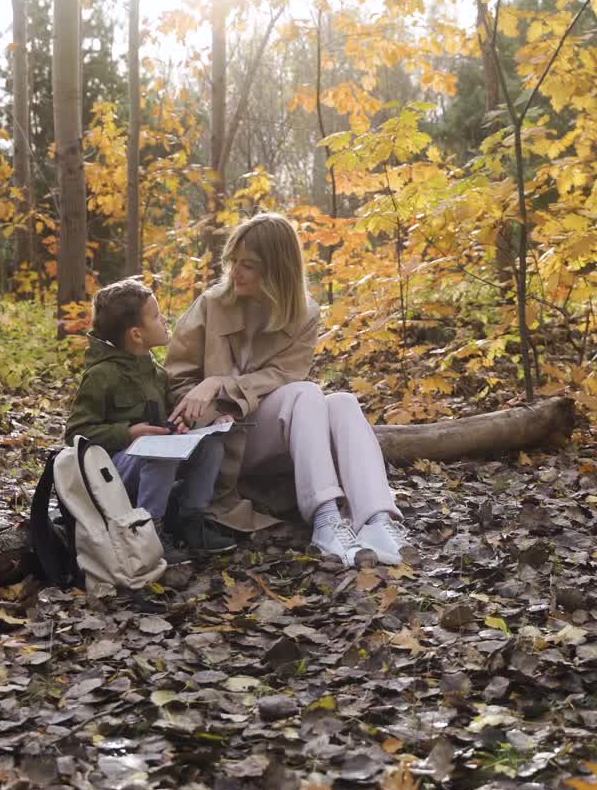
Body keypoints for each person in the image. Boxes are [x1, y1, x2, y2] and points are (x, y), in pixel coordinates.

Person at [165, 213, 408, 566]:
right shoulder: (211, 304)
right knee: (307, 392)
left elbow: (285, 375)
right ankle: (325, 520)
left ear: (277, 268)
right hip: (221, 436)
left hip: (271, 436)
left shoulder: (304, 314)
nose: (236, 272)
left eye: (248, 265)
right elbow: (176, 380)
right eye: (233, 261)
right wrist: (212, 395)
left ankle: (376, 520)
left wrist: (222, 381)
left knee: (341, 401)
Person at [65, 278, 236, 562]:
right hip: (113, 473)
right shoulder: (101, 375)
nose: (164, 318)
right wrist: (129, 433)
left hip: (153, 462)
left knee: (211, 446)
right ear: (136, 334)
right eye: (156, 316)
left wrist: (205, 423)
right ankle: (148, 534)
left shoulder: (156, 372)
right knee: (159, 454)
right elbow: (76, 432)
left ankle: (190, 521)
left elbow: (173, 418)